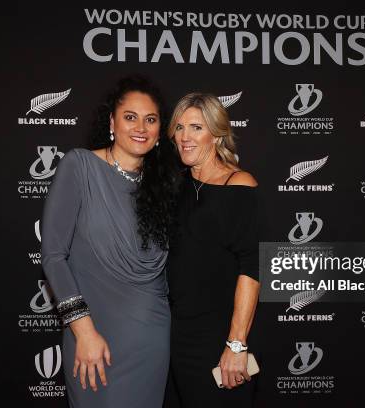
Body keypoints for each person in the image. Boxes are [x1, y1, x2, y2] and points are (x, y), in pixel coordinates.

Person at [40, 75, 180, 408]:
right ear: (112, 122)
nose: (141, 127)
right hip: (92, 334)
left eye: (151, 119)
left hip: (150, 338)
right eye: (130, 117)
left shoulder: (166, 186)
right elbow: (53, 256)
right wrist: (84, 332)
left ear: (161, 130)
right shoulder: (80, 166)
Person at [166, 93, 261, 407]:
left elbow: (252, 266)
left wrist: (236, 344)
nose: (184, 137)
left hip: (218, 336)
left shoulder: (239, 184)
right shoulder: (173, 187)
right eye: (179, 128)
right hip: (173, 335)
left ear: (217, 133)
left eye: (196, 127)